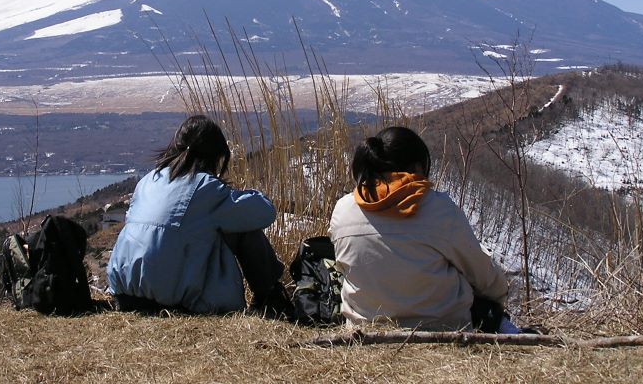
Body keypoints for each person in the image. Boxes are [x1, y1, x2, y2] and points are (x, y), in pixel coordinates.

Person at [329, 126, 513, 331]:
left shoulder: (343, 209)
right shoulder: (439, 208)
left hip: (364, 331)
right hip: (443, 330)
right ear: (417, 168)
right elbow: (484, 277)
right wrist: (500, 295)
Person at [107, 115, 291, 317]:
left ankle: (269, 298)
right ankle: (270, 299)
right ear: (215, 155)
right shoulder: (205, 188)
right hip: (171, 297)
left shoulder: (149, 180)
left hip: (125, 294)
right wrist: (248, 194)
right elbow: (264, 213)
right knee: (244, 230)